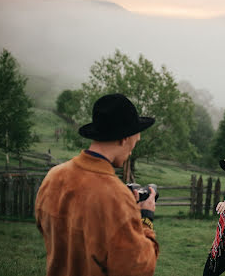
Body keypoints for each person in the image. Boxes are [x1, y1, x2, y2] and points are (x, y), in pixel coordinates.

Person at [35, 93, 159, 276]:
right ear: (124, 138)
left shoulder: (53, 176)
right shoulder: (116, 196)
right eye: (135, 142)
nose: (132, 151)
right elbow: (137, 268)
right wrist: (145, 219)